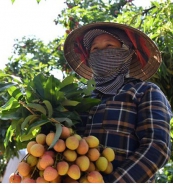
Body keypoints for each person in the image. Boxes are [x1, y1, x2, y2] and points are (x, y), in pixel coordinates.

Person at [63, 22, 172, 183]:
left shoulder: (145, 91)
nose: (102, 53)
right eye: (95, 49)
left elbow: (157, 147)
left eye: (109, 45)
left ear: (126, 52)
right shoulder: (78, 99)